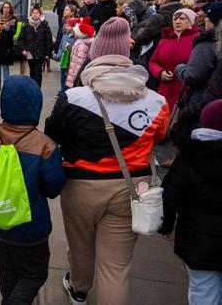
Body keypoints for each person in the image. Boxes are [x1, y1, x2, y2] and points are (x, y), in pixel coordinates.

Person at [45, 19, 169, 305]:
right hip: (131, 189)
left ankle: (78, 289)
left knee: (80, 247)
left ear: (95, 53)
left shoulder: (72, 98)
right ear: (128, 55)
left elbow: (53, 136)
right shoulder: (157, 102)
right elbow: (160, 138)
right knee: (116, 268)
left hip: (80, 187)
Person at [0, 75, 65, 304]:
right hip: (31, 229)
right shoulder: (45, 146)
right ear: (35, 105)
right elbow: (54, 187)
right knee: (35, 274)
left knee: (8, 274)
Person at [158, 99, 222, 305]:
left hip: (198, 241)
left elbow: (171, 195)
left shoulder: (190, 156)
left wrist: (165, 225)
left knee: (203, 291)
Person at [148, 8, 199, 110]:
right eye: (175, 19)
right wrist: (160, 72)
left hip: (186, 92)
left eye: (182, 18)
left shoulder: (197, 39)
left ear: (191, 22)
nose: (177, 21)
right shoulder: (165, 40)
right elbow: (153, 61)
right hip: (164, 91)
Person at [175, 2, 222, 106]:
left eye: (208, 17)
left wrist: (180, 68)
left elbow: (192, 75)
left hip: (203, 102)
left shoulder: (207, 44)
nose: (205, 19)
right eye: (175, 18)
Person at [17, 5, 52, 88]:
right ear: (31, 14)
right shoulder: (26, 25)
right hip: (29, 53)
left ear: (40, 15)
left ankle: (37, 89)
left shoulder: (45, 25)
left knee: (38, 72)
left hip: (40, 53)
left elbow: (48, 40)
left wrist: (48, 53)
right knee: (32, 72)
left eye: (37, 13)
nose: (35, 15)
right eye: (33, 13)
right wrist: (23, 49)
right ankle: (32, 88)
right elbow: (21, 39)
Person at [65, 17, 95, 89]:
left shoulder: (82, 47)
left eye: (75, 32)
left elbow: (79, 64)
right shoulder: (79, 42)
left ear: (80, 34)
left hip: (75, 77)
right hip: (73, 74)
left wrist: (75, 78)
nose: (74, 33)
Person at [54, 19, 76, 95]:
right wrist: (58, 55)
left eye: (68, 26)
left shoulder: (75, 38)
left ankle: (66, 93)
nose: (66, 27)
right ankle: (62, 90)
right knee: (62, 76)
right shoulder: (65, 35)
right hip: (63, 59)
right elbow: (60, 46)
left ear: (73, 27)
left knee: (67, 77)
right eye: (66, 25)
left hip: (69, 60)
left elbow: (73, 50)